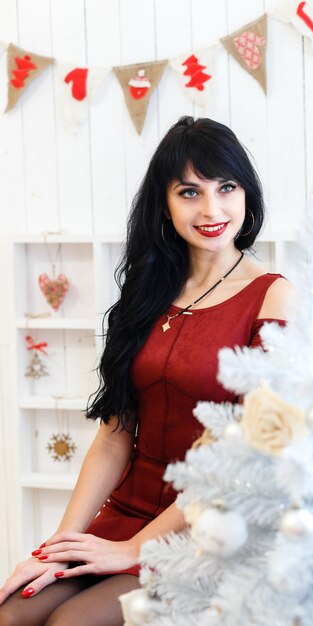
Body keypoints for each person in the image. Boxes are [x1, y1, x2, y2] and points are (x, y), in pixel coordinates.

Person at [0, 116, 292, 626]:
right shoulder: (147, 294)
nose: (211, 209)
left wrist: (136, 548)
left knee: (71, 624)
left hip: (207, 526)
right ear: (165, 204)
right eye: (189, 192)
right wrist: (59, 547)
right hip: (126, 513)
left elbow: (245, 456)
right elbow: (115, 436)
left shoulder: (274, 295)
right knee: (12, 611)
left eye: (226, 187)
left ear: (248, 193)